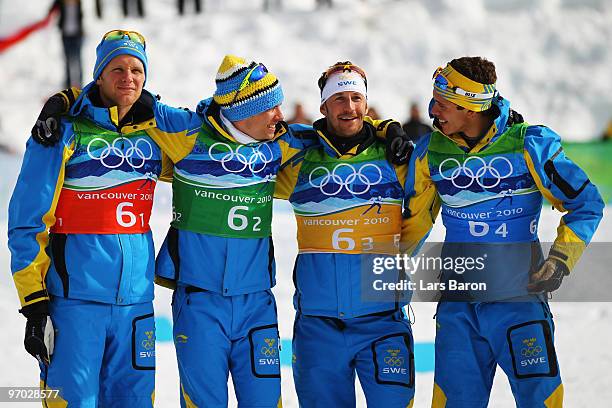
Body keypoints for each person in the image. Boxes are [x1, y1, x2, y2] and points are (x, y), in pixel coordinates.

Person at [153, 55, 408, 407]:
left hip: (256, 302)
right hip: (200, 301)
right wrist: (63, 105)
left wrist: (388, 127)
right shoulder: (187, 134)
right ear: (243, 111)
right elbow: (128, 103)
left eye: (279, 107)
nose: (280, 116)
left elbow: (340, 131)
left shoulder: (281, 143)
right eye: (270, 108)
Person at [8, 30, 199, 406]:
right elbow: (27, 222)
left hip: (136, 304)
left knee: (135, 401)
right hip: (75, 302)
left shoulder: (155, 134)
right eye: (116, 69)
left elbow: (208, 135)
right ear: (98, 75)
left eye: (136, 70)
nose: (127, 77)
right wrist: (34, 302)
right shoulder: (61, 132)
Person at [403, 57, 604, 407]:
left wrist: (559, 261)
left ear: (470, 108)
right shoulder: (430, 151)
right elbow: (414, 223)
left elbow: (586, 202)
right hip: (458, 308)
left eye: (443, 103)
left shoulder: (529, 144)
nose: (432, 110)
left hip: (519, 304)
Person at [274, 62, 424, 408]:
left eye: (357, 97)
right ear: (323, 107)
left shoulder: (398, 159)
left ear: (367, 105)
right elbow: (249, 148)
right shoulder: (300, 162)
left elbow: (449, 168)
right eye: (339, 98)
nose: (349, 107)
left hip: (384, 322)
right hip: (318, 326)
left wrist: (388, 130)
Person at [51, 0, 83, 88]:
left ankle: (80, 84)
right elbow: (51, 11)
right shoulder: (60, 2)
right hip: (65, 35)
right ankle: (68, 84)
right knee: (67, 60)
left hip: (77, 35)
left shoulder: (79, 3)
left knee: (77, 60)